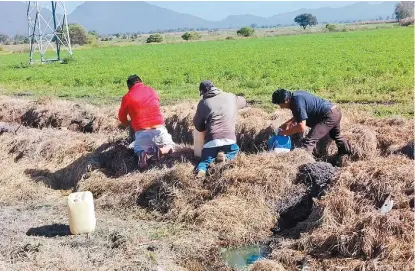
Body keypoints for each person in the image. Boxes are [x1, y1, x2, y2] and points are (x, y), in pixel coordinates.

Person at [118, 74, 175, 169]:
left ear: (129, 86)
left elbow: (122, 117)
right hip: (159, 128)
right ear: (141, 81)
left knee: (138, 149)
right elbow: (156, 103)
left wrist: (127, 124)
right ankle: (161, 151)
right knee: (171, 146)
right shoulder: (152, 91)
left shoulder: (127, 97)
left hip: (141, 131)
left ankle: (142, 154)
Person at [272, 88, 351, 156]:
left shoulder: (296, 103)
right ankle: (346, 155)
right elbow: (302, 112)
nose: (281, 107)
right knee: (336, 136)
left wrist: (285, 133)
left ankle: (304, 165)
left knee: (309, 141)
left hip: (328, 116)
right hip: (335, 112)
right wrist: (289, 123)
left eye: (280, 104)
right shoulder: (297, 95)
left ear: (286, 100)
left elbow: (301, 127)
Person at [193, 80, 247, 178]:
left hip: (212, 139)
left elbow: (198, 125)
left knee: (205, 160)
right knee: (233, 152)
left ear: (203, 92)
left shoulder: (203, 103)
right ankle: (226, 157)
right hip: (229, 138)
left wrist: (204, 127)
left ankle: (201, 170)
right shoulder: (231, 97)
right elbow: (243, 101)